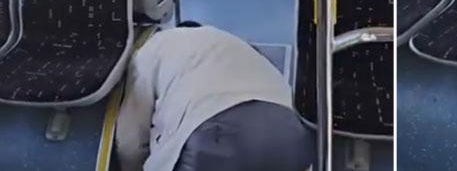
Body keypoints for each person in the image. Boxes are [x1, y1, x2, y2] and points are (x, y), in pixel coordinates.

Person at [116, 23, 315, 171]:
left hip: (214, 133)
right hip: (292, 136)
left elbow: (129, 142)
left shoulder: (152, 48)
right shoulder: (233, 42)